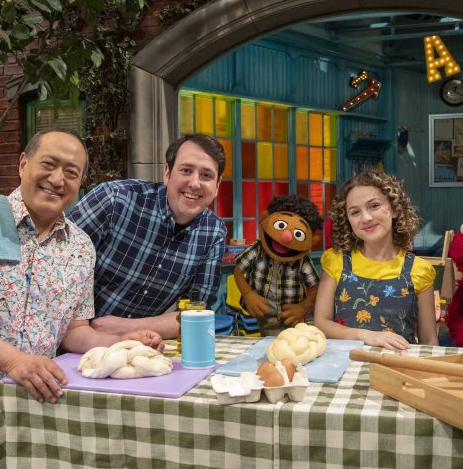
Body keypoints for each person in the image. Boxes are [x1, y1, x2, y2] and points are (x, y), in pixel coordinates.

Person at [0, 129, 163, 469]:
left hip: (35, 418)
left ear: (81, 183)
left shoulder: (80, 247)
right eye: (49, 164)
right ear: (23, 164)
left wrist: (120, 343)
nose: (57, 179)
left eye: (71, 172)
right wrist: (14, 361)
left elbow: (73, 331)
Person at [69, 133, 227, 338]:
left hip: (137, 348)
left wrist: (126, 329)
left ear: (217, 186)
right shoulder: (115, 200)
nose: (195, 183)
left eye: (206, 175)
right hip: (65, 343)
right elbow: (56, 265)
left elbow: (197, 316)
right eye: (186, 170)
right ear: (168, 174)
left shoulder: (213, 232)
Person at [313, 169, 439, 349]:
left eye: (374, 206)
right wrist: (365, 336)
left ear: (394, 209)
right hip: (346, 365)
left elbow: (429, 340)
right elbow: (321, 323)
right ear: (347, 220)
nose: (366, 218)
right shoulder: (336, 260)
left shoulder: (419, 270)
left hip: (399, 367)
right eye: (355, 212)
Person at [233, 194, 322, 335]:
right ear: (265, 219)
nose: (286, 237)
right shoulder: (257, 249)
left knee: (292, 346)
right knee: (265, 346)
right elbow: (238, 271)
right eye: (281, 225)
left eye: (297, 233)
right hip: (261, 315)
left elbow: (317, 285)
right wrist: (248, 294)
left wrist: (304, 307)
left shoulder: (302, 260)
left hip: (291, 318)